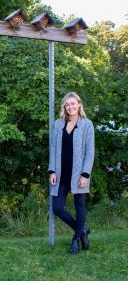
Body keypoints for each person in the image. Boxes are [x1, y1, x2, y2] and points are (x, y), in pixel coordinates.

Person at [48, 92, 95, 254]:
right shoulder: (57, 124)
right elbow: (53, 149)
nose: (70, 107)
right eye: (67, 104)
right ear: (64, 107)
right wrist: (52, 170)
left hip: (78, 175)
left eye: (73, 104)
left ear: (79, 105)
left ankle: (75, 240)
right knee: (57, 208)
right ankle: (81, 230)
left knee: (79, 206)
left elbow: (90, 152)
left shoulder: (87, 125)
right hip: (60, 174)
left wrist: (85, 174)